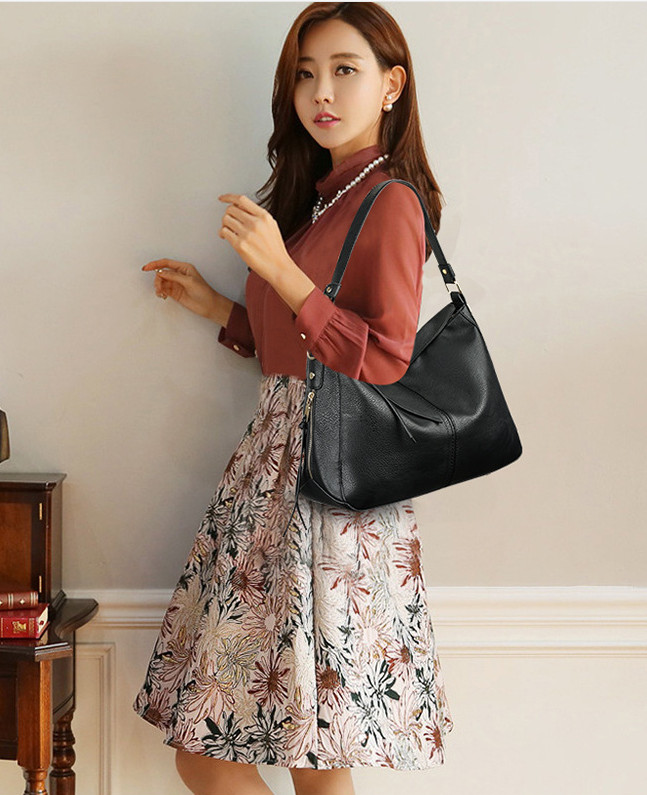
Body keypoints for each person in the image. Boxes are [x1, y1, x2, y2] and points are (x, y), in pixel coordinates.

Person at [132, 3, 454, 794]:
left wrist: (279, 269)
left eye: (345, 69)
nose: (322, 92)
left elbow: (383, 360)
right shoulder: (320, 199)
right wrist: (219, 308)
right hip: (275, 475)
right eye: (306, 74)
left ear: (391, 86)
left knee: (273, 753)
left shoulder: (390, 201)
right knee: (283, 750)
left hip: (329, 484)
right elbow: (302, 346)